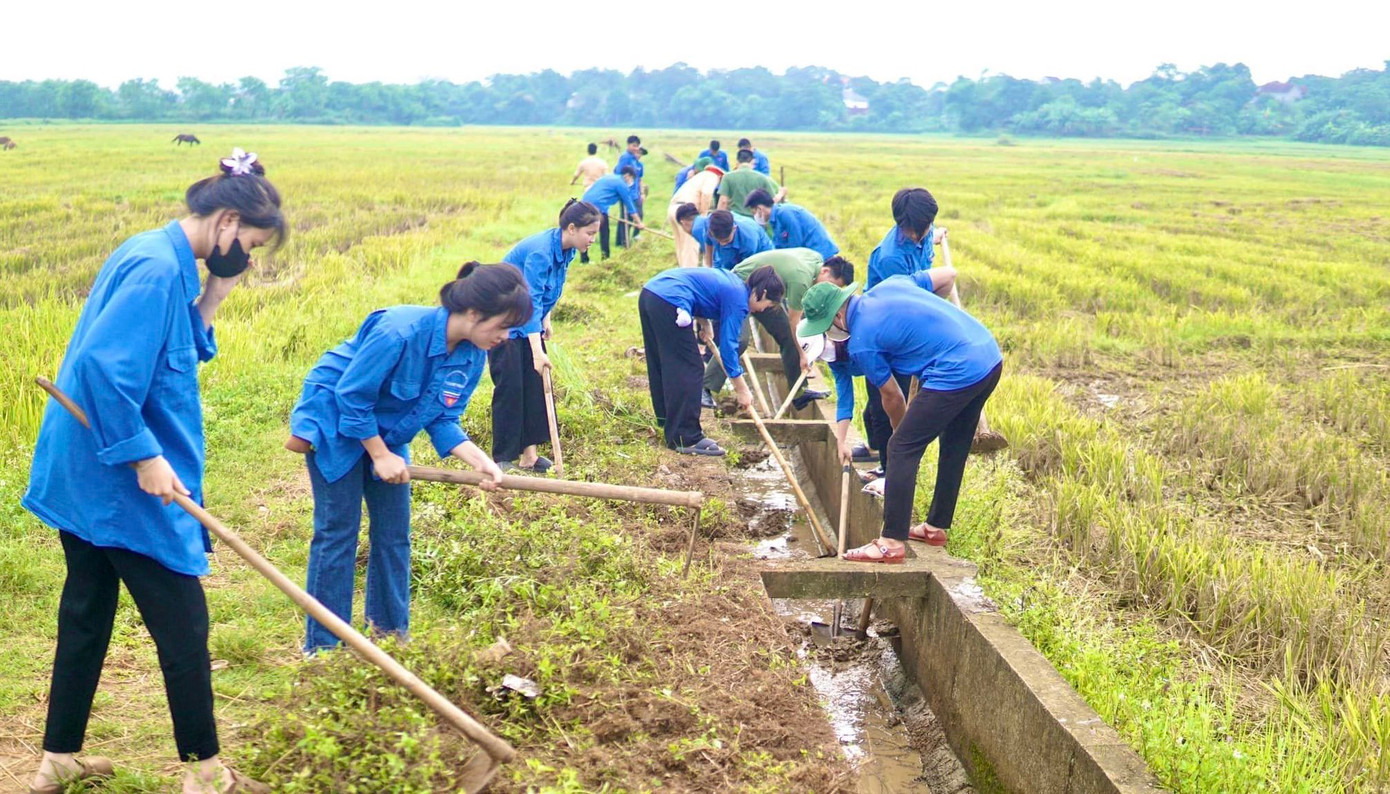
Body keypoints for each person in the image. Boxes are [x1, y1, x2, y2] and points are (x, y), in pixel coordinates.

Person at [22, 149, 284, 794]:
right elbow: (104, 371)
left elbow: (169, 352)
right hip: (118, 477)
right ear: (227, 222)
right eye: (250, 245)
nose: (248, 257)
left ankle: (58, 760)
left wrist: (216, 292)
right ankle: (206, 773)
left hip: (90, 468)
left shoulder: (163, 257)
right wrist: (144, 457)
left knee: (87, 609)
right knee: (183, 623)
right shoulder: (156, 270)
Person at [287, 263, 523, 654]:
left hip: (389, 430)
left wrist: (477, 459)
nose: (505, 337)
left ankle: (390, 637)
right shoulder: (399, 331)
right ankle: (325, 650)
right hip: (335, 420)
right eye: (502, 326)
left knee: (394, 535)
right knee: (338, 533)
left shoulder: (471, 356)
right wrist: (378, 455)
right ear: (474, 313)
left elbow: (443, 417)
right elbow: (352, 396)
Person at [797, 273, 1002, 564]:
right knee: (954, 444)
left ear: (838, 316)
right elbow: (945, 275)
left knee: (901, 447)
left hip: (956, 369)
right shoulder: (891, 284)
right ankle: (935, 527)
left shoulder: (862, 342)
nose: (830, 334)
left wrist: (900, 433)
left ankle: (891, 543)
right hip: (988, 356)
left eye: (827, 328)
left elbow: (893, 397)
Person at [489, 200, 602, 472]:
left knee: (534, 385)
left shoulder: (566, 251)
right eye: (589, 233)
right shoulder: (541, 251)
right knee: (511, 387)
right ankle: (503, 458)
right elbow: (530, 298)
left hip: (528, 319)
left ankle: (529, 456)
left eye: (595, 234)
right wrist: (537, 351)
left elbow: (547, 289)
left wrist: (546, 319)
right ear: (572, 228)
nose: (592, 240)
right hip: (503, 322)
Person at [638, 266, 785, 455]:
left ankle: (667, 421)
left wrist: (704, 322)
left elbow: (698, 290)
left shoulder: (734, 284)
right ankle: (686, 437)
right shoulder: (739, 300)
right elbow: (729, 349)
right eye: (767, 304)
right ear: (762, 293)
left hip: (651, 293)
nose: (763, 309)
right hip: (671, 301)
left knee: (664, 361)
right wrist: (742, 389)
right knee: (690, 368)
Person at [701, 249, 847, 409]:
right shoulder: (802, 280)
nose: (827, 290)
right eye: (830, 285)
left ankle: (799, 393)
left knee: (788, 337)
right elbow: (795, 322)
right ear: (825, 271)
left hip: (767, 295)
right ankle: (704, 388)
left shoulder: (815, 259)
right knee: (739, 340)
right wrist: (803, 355)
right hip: (743, 286)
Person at [745, 189, 839, 259]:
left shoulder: (785, 213)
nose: (755, 216)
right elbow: (778, 248)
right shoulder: (775, 221)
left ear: (760, 209)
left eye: (754, 213)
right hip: (810, 256)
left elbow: (796, 246)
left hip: (821, 255)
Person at [580, 167, 642, 262]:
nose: (631, 181)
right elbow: (630, 207)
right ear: (627, 175)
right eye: (631, 179)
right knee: (604, 233)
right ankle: (606, 259)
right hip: (598, 207)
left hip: (584, 203)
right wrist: (639, 223)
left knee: (586, 232)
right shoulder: (621, 184)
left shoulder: (609, 177)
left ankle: (584, 260)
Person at [668, 163, 724, 267]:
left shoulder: (698, 177)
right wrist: (703, 214)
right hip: (686, 213)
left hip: (673, 209)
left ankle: (683, 271)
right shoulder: (712, 177)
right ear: (720, 176)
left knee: (681, 247)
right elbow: (706, 193)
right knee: (690, 247)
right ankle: (691, 273)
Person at [718, 149, 784, 218]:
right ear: (753, 161)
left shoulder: (727, 177)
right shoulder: (762, 178)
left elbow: (723, 201)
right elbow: (772, 201)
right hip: (755, 220)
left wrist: (719, 218)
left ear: (737, 162)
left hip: (735, 219)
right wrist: (781, 193)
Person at [698, 209, 772, 270]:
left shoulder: (749, 239)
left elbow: (746, 268)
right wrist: (709, 267)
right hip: (727, 252)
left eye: (726, 240)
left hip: (758, 254)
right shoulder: (710, 223)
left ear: (734, 229)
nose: (722, 244)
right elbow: (708, 243)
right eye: (718, 240)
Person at [614, 136, 645, 248]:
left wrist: (641, 192)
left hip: (635, 193)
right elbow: (618, 173)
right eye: (633, 146)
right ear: (628, 145)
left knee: (637, 214)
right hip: (626, 193)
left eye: (637, 146)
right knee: (627, 217)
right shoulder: (625, 158)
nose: (635, 148)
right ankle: (624, 242)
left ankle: (622, 240)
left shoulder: (634, 159)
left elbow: (638, 178)